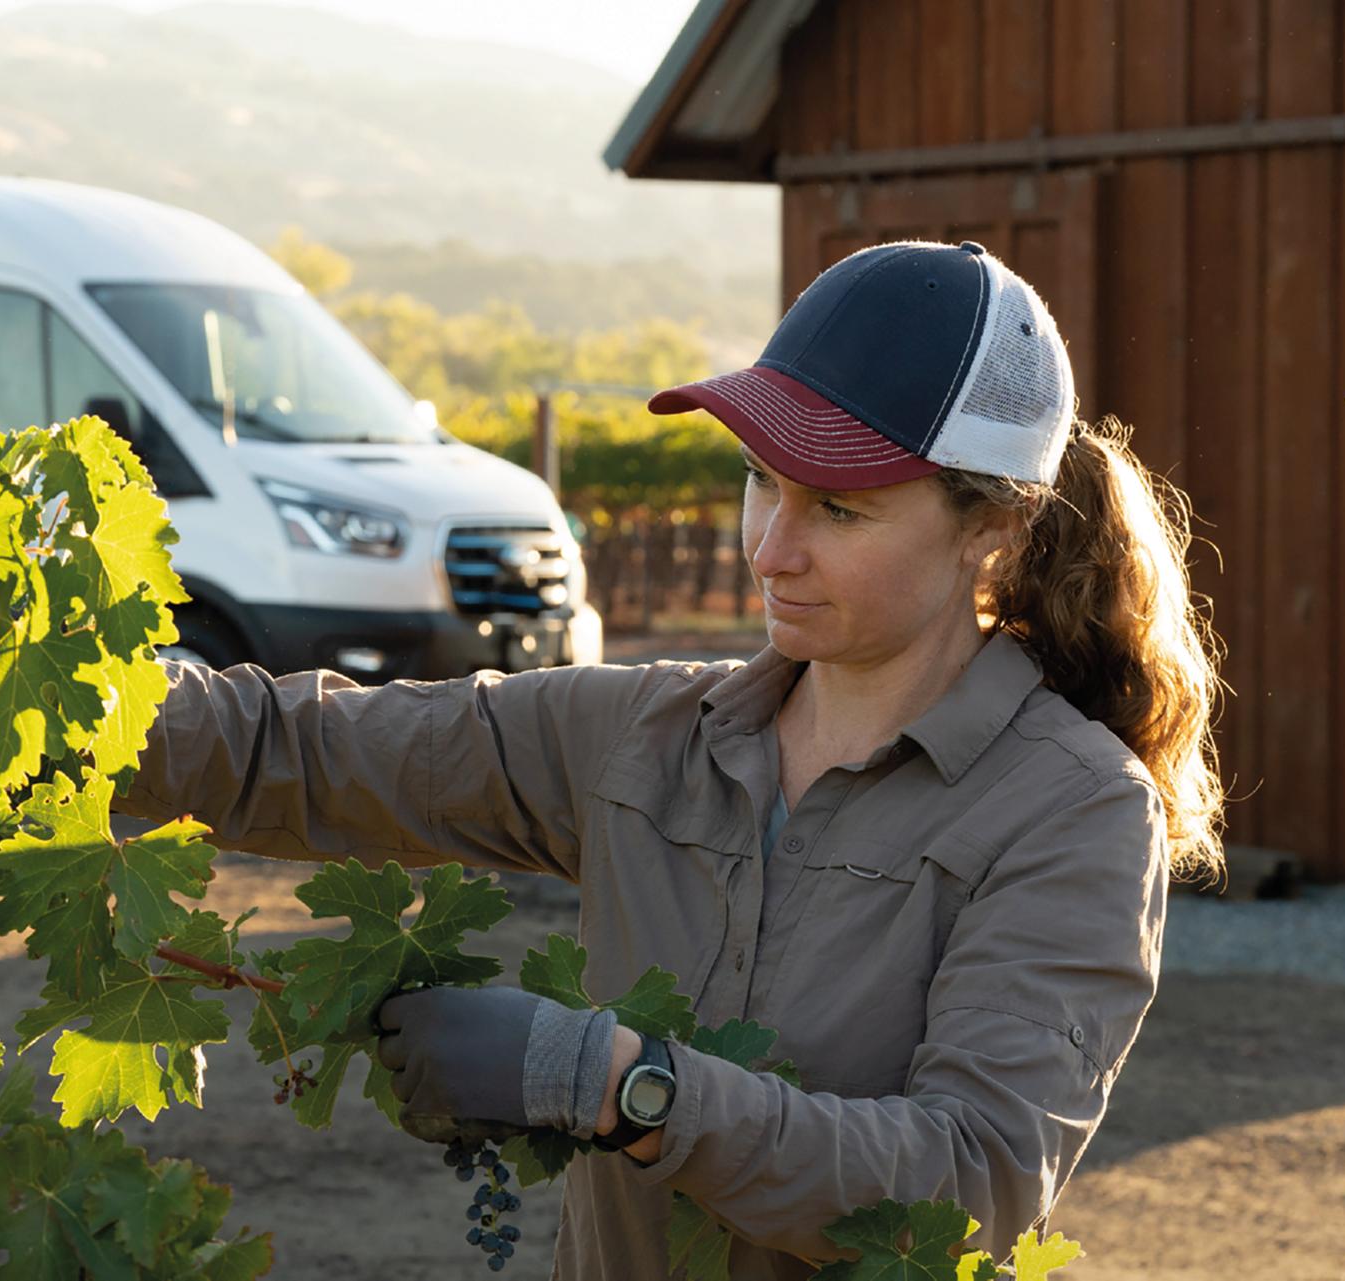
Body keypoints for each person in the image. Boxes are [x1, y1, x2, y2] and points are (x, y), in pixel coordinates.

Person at [117, 240, 1225, 1280]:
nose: (771, 549)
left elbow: (967, 1183)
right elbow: (299, 752)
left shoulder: (1074, 811)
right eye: (760, 479)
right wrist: (52, 698)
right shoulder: (649, 734)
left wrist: (607, 1085)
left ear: (998, 528)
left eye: (839, 508)